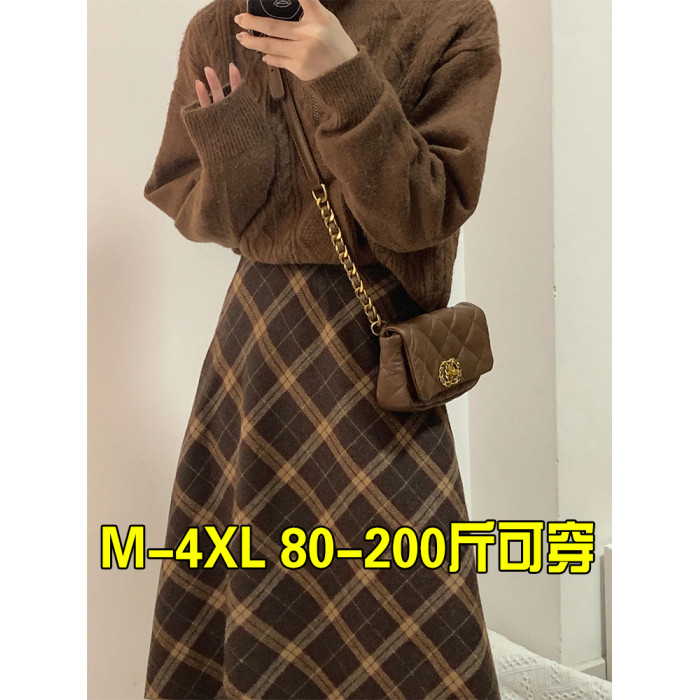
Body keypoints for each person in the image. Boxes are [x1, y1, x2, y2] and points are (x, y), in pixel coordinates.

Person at [142, 0, 502, 697]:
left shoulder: (449, 17)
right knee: (261, 573)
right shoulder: (219, 28)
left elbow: (425, 212)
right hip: (259, 345)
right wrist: (236, 147)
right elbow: (193, 207)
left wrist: (344, 77)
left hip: (374, 345)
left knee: (404, 584)